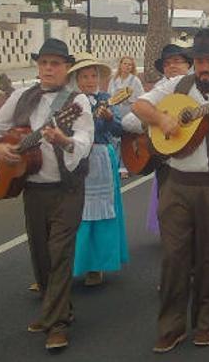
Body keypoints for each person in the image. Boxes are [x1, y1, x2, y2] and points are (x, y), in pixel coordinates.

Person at [132, 29, 209, 353]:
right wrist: (162, 119)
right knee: (174, 258)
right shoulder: (177, 85)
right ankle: (171, 326)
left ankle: (205, 322)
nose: (205, 67)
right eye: (200, 60)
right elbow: (139, 106)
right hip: (176, 184)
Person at [0, 38, 94, 351]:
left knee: (59, 254)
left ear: (67, 68)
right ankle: (55, 308)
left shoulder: (78, 103)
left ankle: (56, 325)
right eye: (43, 63)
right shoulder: (21, 96)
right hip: (33, 188)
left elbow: (84, 143)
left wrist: (63, 140)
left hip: (67, 189)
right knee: (41, 255)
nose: (48, 69)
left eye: (55, 63)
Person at [69, 53, 129, 287]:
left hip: (100, 158)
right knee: (73, 213)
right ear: (76, 78)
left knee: (101, 213)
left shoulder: (106, 99)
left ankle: (96, 265)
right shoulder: (68, 101)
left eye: (93, 75)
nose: (89, 80)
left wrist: (107, 118)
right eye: (84, 76)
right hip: (73, 158)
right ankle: (70, 263)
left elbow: (118, 130)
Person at [121, 44, 192, 236]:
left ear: (188, 65)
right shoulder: (159, 90)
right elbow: (128, 121)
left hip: (193, 162)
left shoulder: (195, 89)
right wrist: (156, 122)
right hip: (166, 162)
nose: (172, 66)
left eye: (177, 61)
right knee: (169, 211)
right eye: (168, 63)